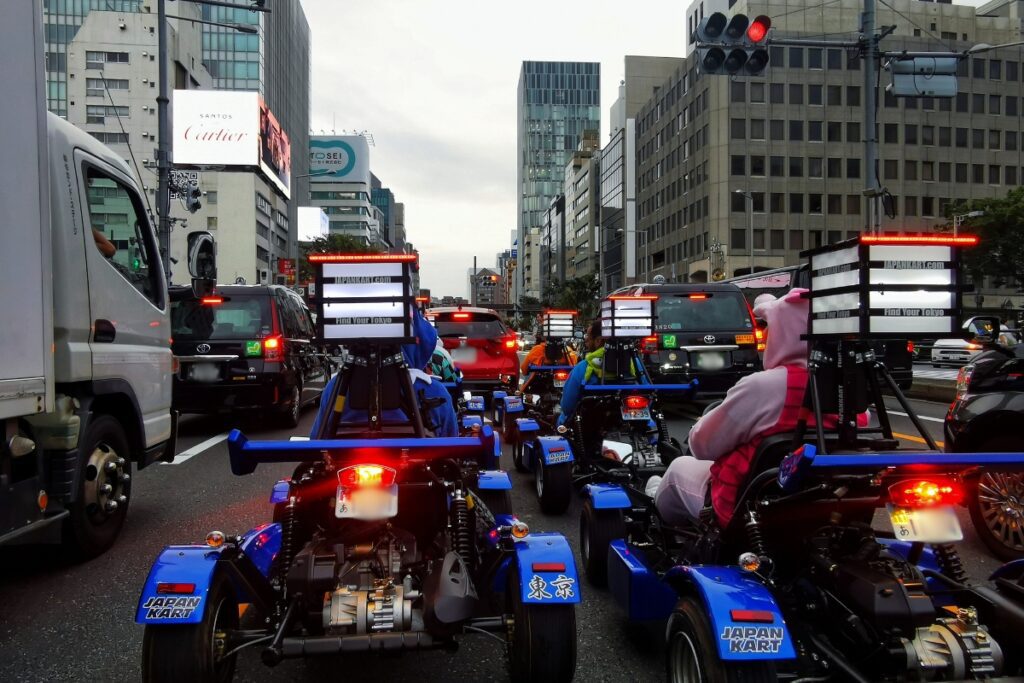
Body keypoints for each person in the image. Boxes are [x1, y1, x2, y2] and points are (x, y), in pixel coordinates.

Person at [650, 288, 868, 528]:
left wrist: (703, 423)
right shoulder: (847, 391)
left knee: (679, 468)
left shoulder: (763, 386)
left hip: (747, 510)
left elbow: (702, 446)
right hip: (830, 510)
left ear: (782, 333)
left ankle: (666, 530)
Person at [556, 319, 638, 427]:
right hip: (631, 425)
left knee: (561, 422)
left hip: (590, 429)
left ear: (598, 341)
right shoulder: (635, 364)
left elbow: (567, 406)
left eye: (588, 338)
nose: (586, 342)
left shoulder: (583, 367)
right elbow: (648, 394)